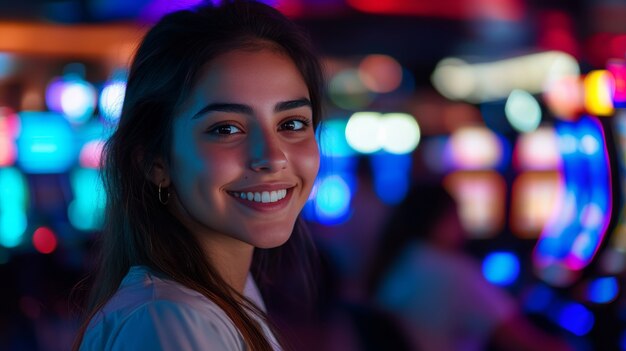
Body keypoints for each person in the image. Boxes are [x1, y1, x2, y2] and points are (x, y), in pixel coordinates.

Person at [73, 1, 324, 350]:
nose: (271, 157)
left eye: (292, 124)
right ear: (154, 161)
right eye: (226, 129)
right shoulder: (169, 318)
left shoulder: (225, 295)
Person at [366, 182, 574, 351]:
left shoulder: (401, 261)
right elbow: (524, 343)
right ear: (437, 221)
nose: (465, 228)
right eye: (457, 217)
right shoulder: (453, 272)